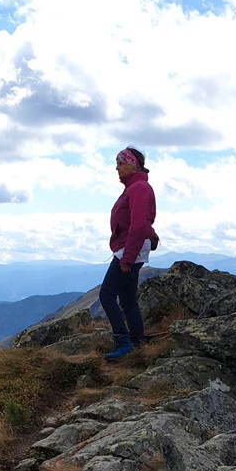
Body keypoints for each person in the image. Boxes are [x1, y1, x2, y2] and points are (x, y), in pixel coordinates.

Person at [101, 145, 158, 360]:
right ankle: (136, 339)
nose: (117, 169)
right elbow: (141, 222)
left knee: (106, 294)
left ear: (132, 164)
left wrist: (128, 257)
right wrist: (150, 236)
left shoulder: (139, 189)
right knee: (126, 298)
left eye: (120, 164)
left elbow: (138, 224)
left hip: (128, 248)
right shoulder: (134, 188)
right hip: (129, 247)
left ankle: (123, 341)